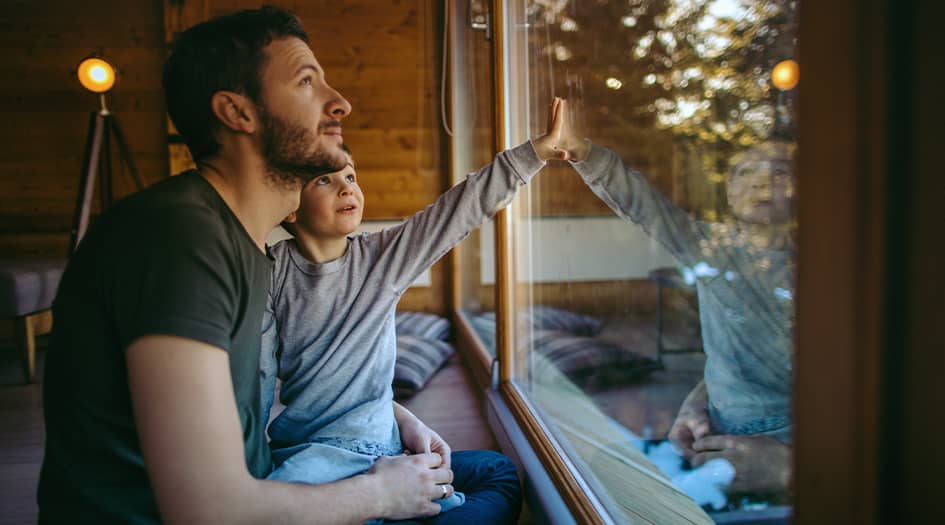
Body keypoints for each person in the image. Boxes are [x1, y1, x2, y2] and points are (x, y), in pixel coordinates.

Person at [38, 7, 458, 524]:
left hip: (260, 483)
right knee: (488, 489)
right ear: (237, 113)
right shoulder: (177, 241)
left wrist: (394, 414)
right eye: (307, 82)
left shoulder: (247, 247)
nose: (340, 103)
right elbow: (206, 510)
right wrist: (380, 495)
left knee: (478, 471)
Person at [259, 97, 573, 524]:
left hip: (379, 448)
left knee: (497, 470)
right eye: (326, 181)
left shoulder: (382, 257)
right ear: (290, 206)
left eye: (350, 176)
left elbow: (459, 209)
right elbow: (255, 381)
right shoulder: (270, 271)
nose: (347, 187)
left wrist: (535, 152)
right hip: (308, 457)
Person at [558, 136, 794, 495]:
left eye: (779, 172)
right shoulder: (709, 246)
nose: (761, 181)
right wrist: (584, 153)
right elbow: (644, 206)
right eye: (747, 171)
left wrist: (793, 463)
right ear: (729, 192)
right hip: (716, 433)